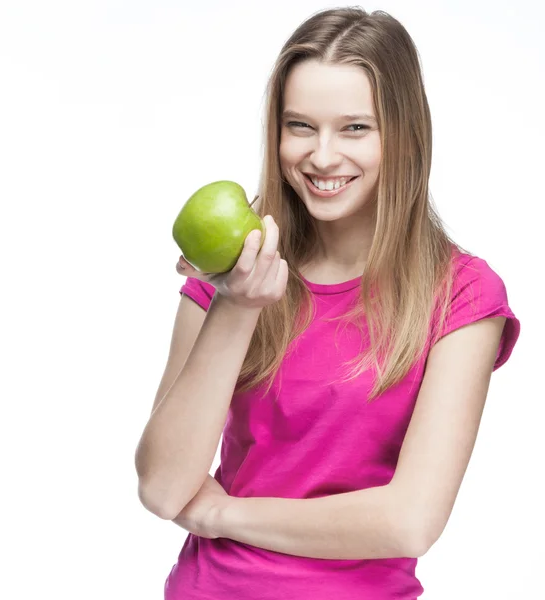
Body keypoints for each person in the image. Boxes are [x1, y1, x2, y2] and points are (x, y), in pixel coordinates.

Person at [134, 7, 521, 599]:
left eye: (355, 128)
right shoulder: (231, 265)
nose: (321, 157)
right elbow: (163, 488)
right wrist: (236, 306)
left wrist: (221, 516)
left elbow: (410, 520)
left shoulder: (461, 294)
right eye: (301, 126)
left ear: (404, 133)